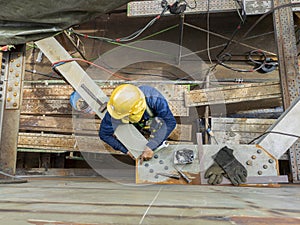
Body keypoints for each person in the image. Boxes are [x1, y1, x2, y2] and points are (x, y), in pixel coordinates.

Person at [70, 84, 176, 162]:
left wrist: (152, 145)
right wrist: (126, 151)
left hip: (152, 119)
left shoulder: (154, 99)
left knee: (159, 125)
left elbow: (170, 122)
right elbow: (104, 134)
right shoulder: (118, 107)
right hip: (136, 124)